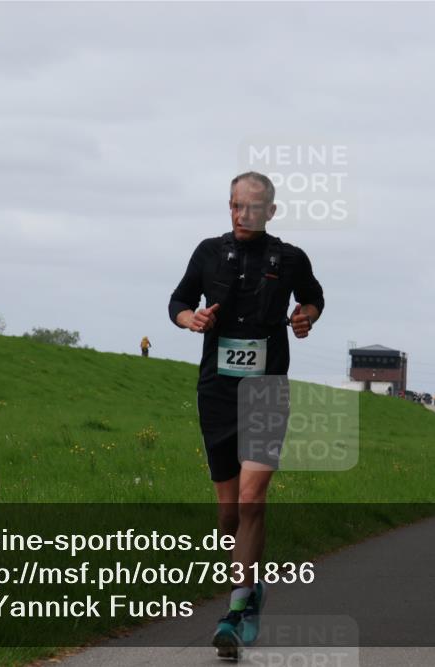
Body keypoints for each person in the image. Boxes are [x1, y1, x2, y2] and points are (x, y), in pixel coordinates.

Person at [168, 172, 324, 658]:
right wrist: (189, 319)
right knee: (229, 514)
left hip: (266, 389)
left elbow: (314, 297)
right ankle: (252, 586)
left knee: (253, 500)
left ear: (271, 212)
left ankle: (235, 611)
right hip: (217, 391)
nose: (242, 214)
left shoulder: (290, 257)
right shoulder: (208, 252)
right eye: (235, 205)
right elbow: (178, 301)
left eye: (253, 208)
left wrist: (306, 317)